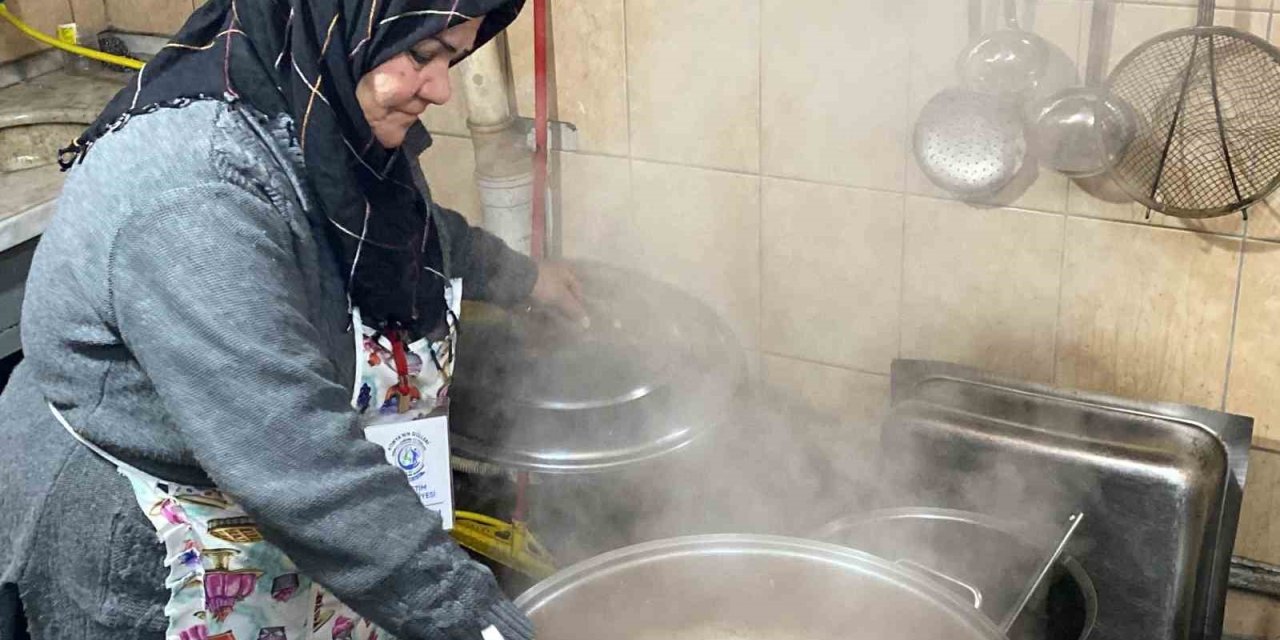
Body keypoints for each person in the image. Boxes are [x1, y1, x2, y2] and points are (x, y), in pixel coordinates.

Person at [0, 0, 587, 638]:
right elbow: (295, 454)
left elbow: (402, 229)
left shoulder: (312, 103)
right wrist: (482, 621)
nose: (442, 88)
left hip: (273, 493)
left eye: (453, 57)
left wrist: (521, 276)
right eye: (422, 55)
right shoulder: (194, 193)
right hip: (151, 535)